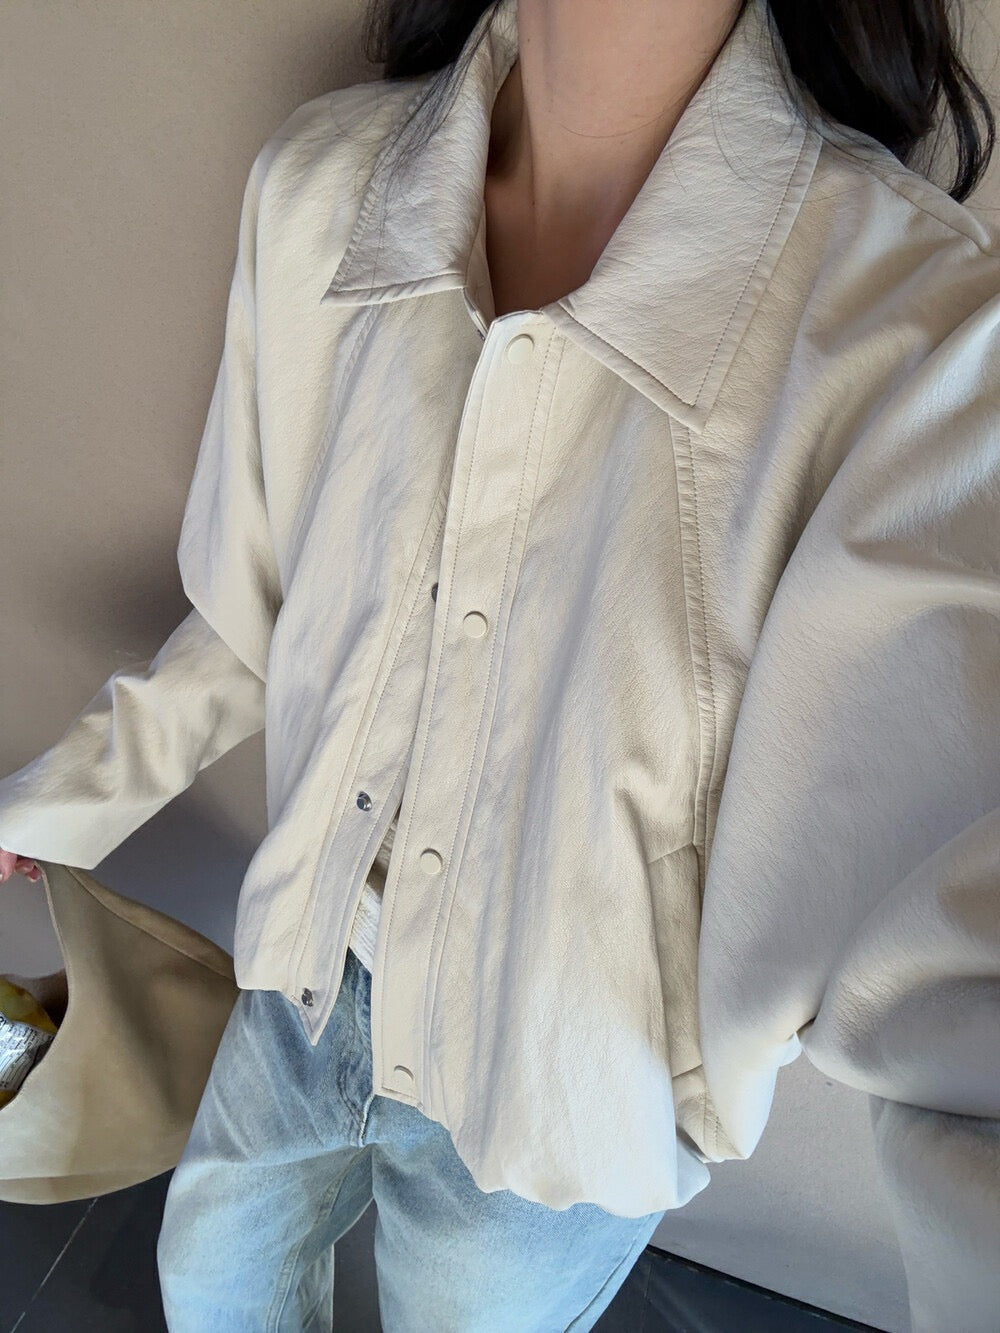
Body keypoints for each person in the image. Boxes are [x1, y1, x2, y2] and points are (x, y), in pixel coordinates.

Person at [2, 0, 999, 1328]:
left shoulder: (916, 327)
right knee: (212, 1280)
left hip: (552, 1110)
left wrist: (681, 1082)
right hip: (309, 978)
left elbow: (952, 975)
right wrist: (56, 801)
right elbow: (260, 611)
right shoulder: (319, 190)